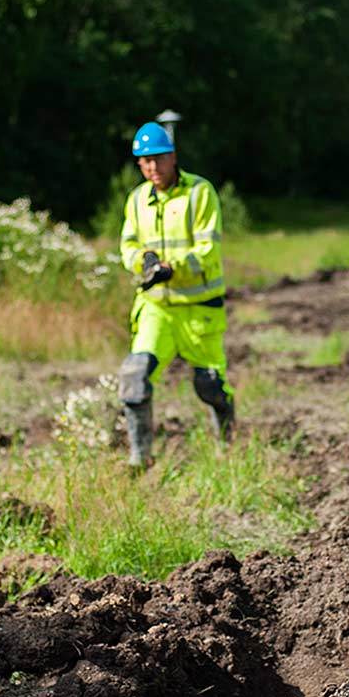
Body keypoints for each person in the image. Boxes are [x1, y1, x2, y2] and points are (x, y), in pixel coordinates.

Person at [117, 120, 234, 466]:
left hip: (199, 310)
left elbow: (207, 249)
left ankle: (226, 448)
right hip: (156, 310)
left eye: (159, 159)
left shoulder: (200, 193)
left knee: (210, 385)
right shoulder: (137, 199)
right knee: (135, 378)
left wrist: (173, 267)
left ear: (173, 157)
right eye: (145, 161)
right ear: (139, 164)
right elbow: (127, 246)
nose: (153, 167)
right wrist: (144, 260)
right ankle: (140, 460)